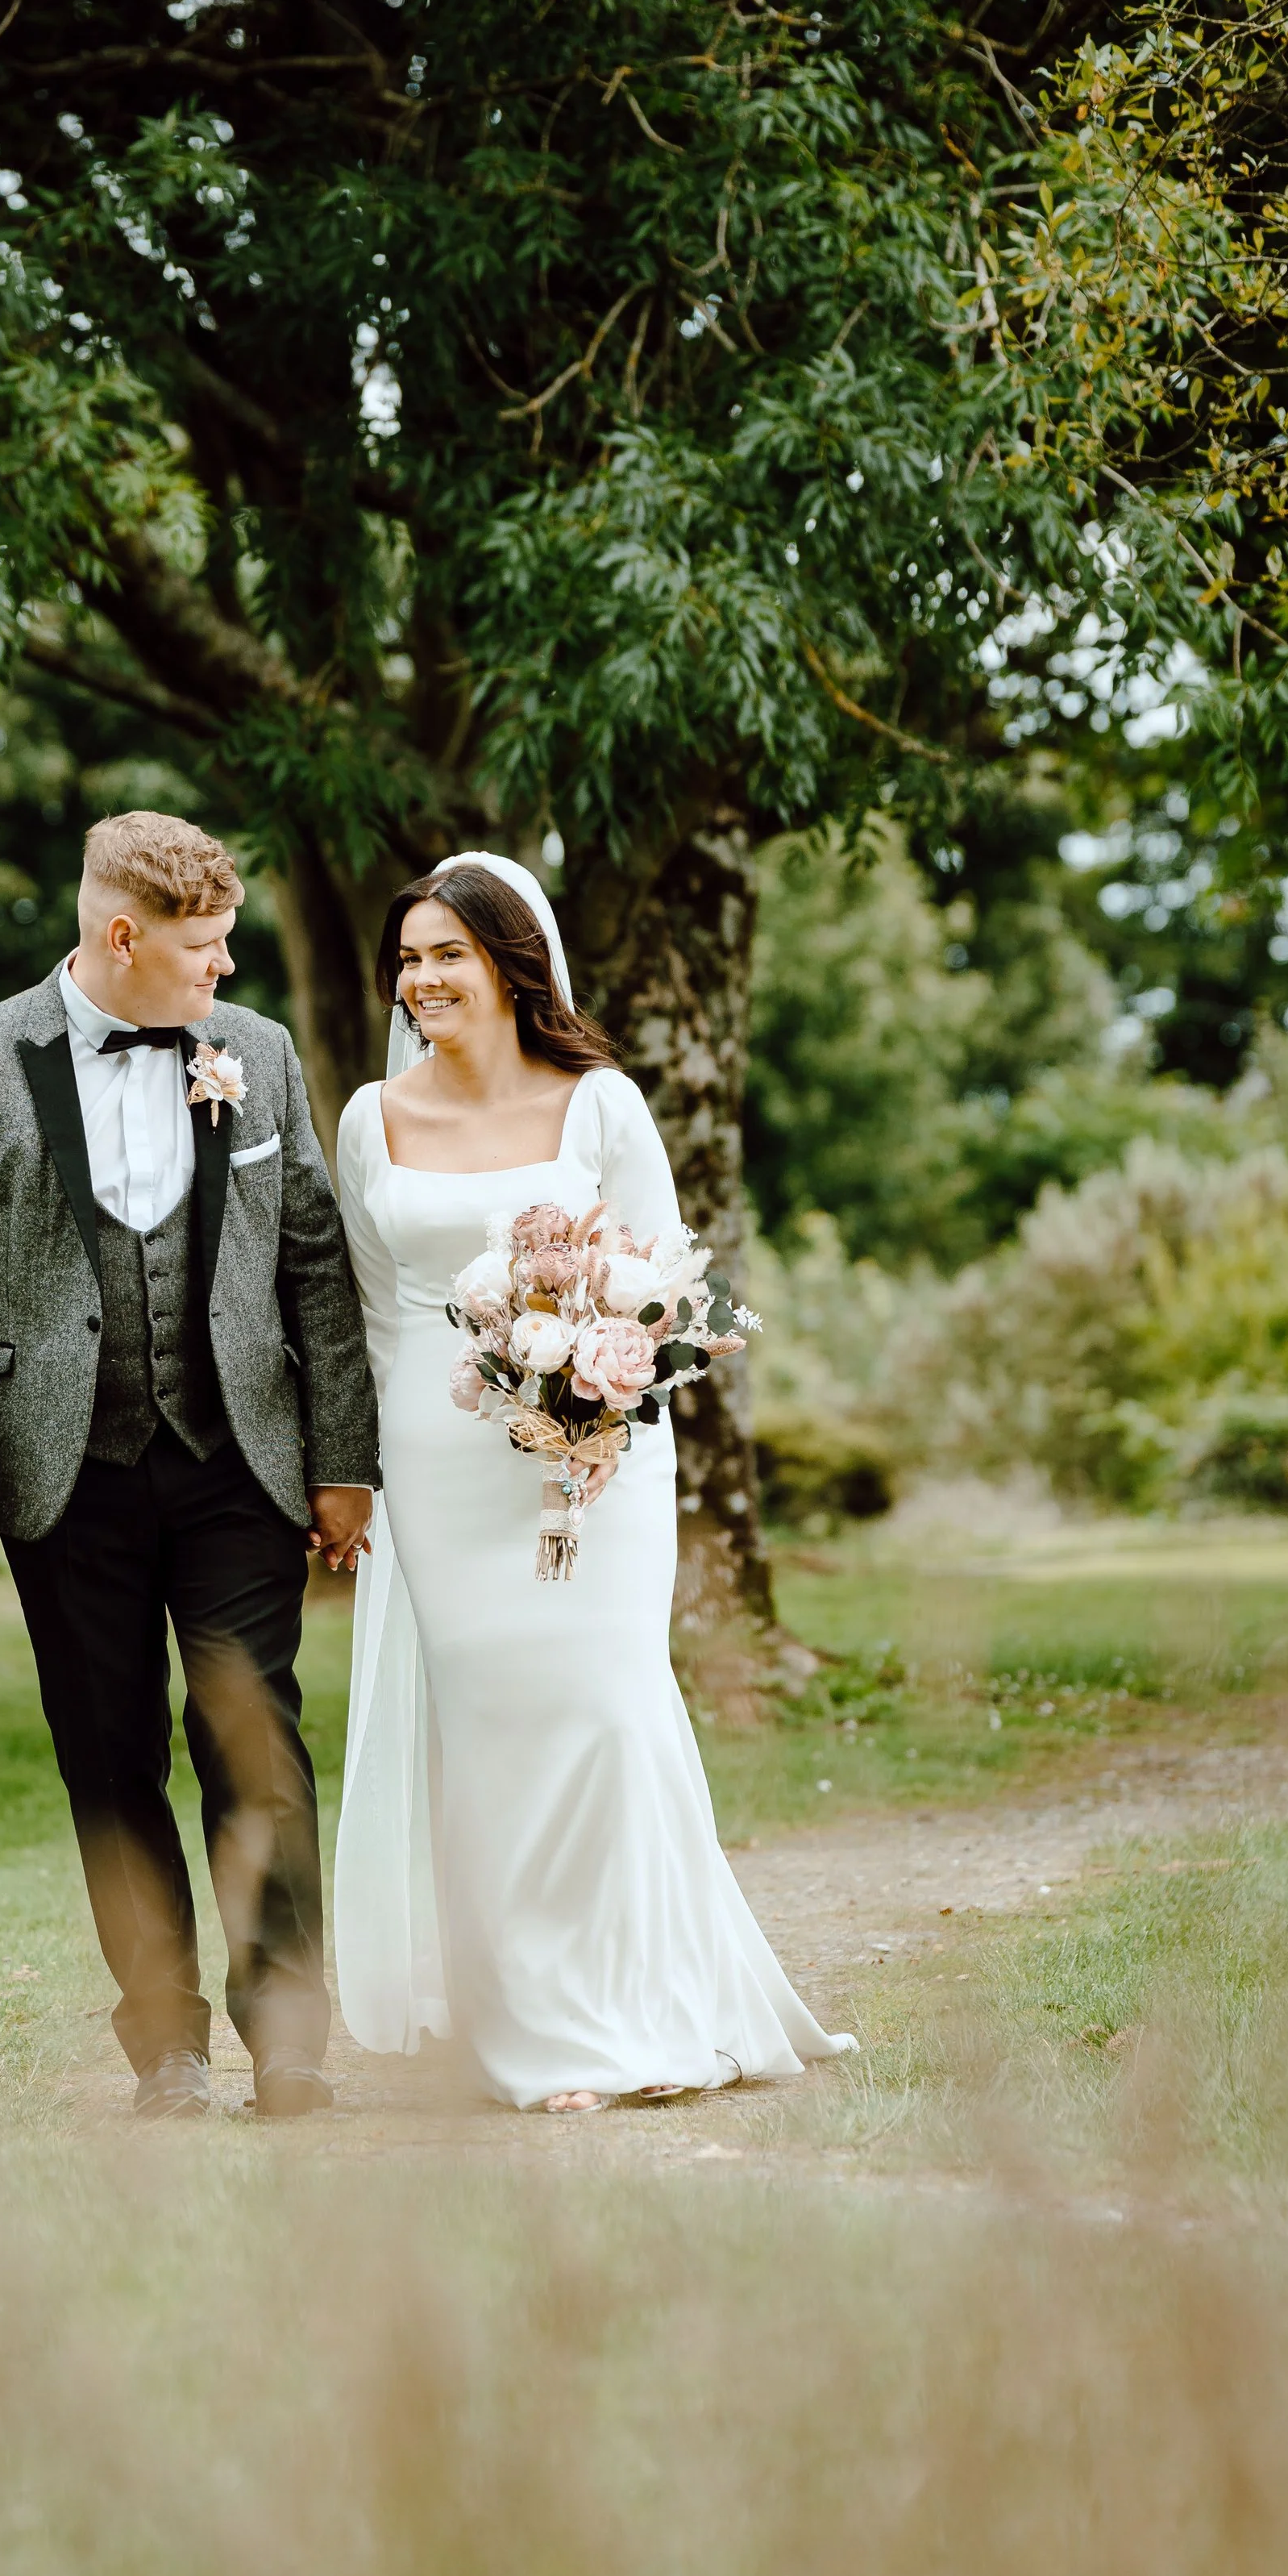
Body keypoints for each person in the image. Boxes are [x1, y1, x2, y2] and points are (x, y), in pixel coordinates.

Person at [331, 852, 854, 2113]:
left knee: (609, 1707)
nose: (422, 978)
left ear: (514, 964)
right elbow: (372, 1313)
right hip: (440, 1459)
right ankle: (546, 2031)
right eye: (408, 958)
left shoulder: (601, 1105)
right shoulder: (370, 1118)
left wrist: (595, 1401)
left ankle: (649, 2000)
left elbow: (667, 1285)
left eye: (448, 952)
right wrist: (368, 1475)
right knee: (495, 1725)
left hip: (602, 1457)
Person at [0, 811, 380, 2119]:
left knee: (256, 1743)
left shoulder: (256, 1055)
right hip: (63, 1472)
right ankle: (166, 2045)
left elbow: (315, 1264)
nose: (223, 968)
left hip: (238, 1461)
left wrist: (346, 1462)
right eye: (203, 948)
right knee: (109, 1758)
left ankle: (291, 2039)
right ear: (122, 935)